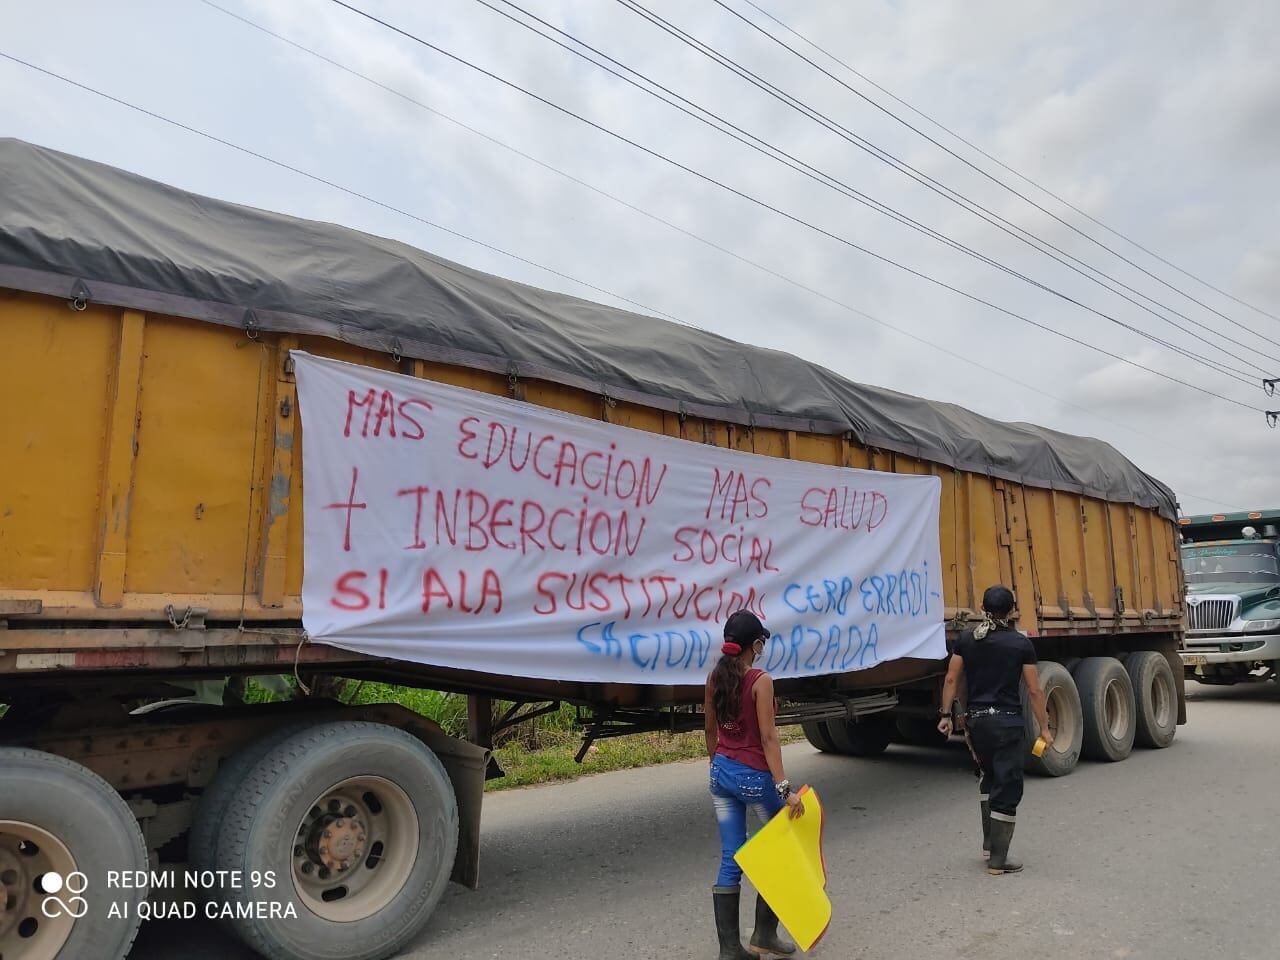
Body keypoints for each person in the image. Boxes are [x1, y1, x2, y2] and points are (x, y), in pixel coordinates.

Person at [704, 610, 804, 959]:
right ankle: (764, 933)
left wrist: (718, 764)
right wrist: (784, 788)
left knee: (732, 856)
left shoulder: (714, 677)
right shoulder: (760, 680)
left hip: (721, 773)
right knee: (782, 848)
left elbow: (710, 731)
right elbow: (768, 737)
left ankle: (730, 950)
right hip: (753, 777)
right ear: (756, 645)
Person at [937, 585, 1052, 875]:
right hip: (1006, 723)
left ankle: (989, 845)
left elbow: (951, 679)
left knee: (988, 778)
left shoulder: (967, 640)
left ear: (982, 607)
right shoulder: (1020, 644)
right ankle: (998, 861)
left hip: (977, 724)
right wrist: (1045, 728)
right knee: (1008, 784)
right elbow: (1035, 691)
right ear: (1013, 610)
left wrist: (945, 715)